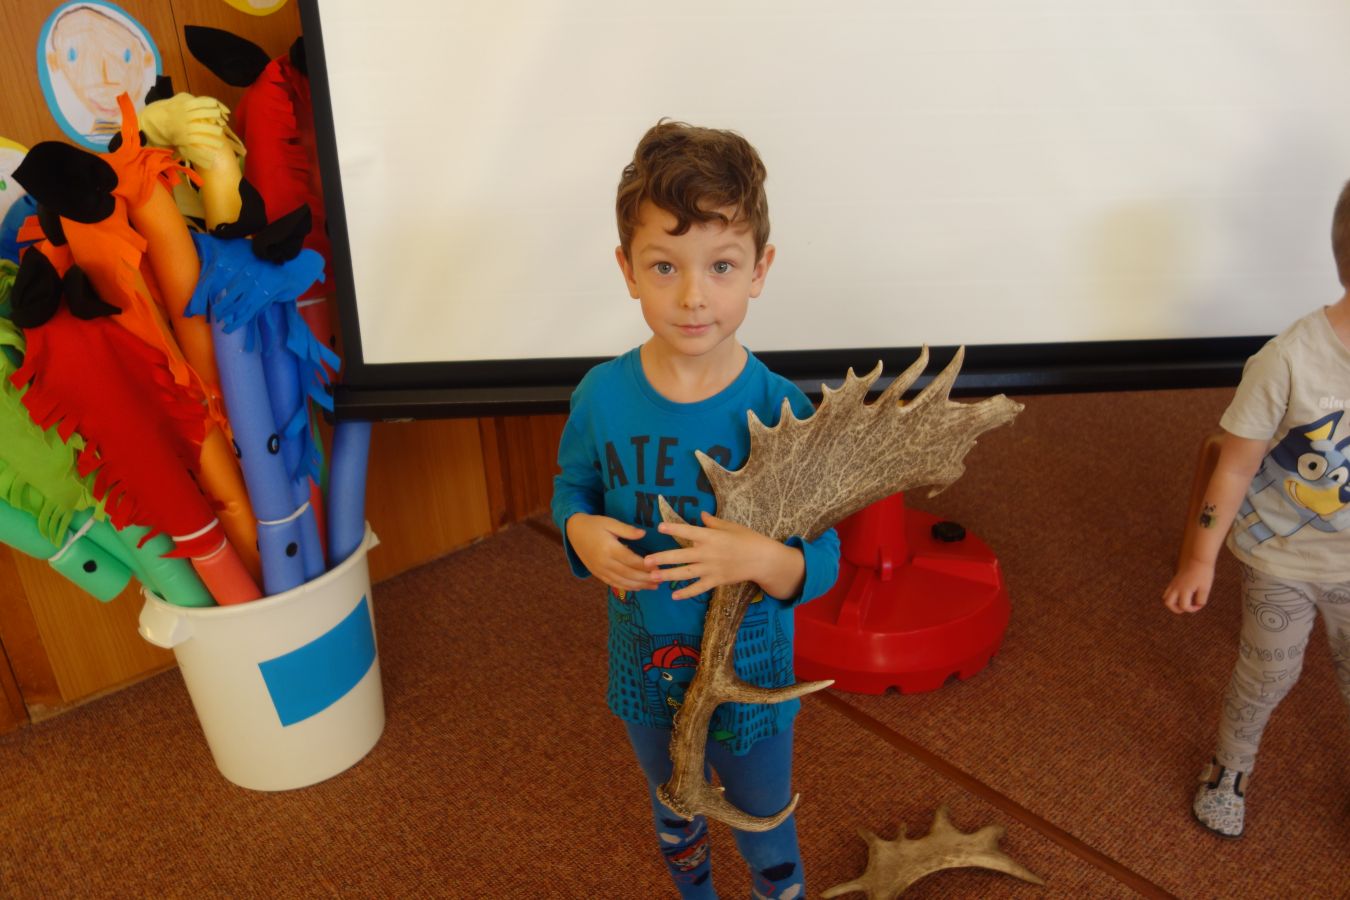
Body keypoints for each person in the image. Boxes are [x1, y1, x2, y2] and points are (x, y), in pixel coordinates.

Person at [551, 121, 840, 898]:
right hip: (644, 667)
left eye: (721, 265)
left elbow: (824, 557)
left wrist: (764, 559)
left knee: (762, 816)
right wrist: (579, 530)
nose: (692, 296)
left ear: (759, 269)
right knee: (675, 805)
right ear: (627, 269)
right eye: (663, 266)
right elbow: (572, 488)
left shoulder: (780, 411)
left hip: (751, 672)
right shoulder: (600, 397)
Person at [1162, 180, 1350, 839]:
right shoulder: (1288, 360)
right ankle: (1230, 767)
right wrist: (1198, 559)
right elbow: (1234, 464)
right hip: (1283, 560)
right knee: (1268, 673)